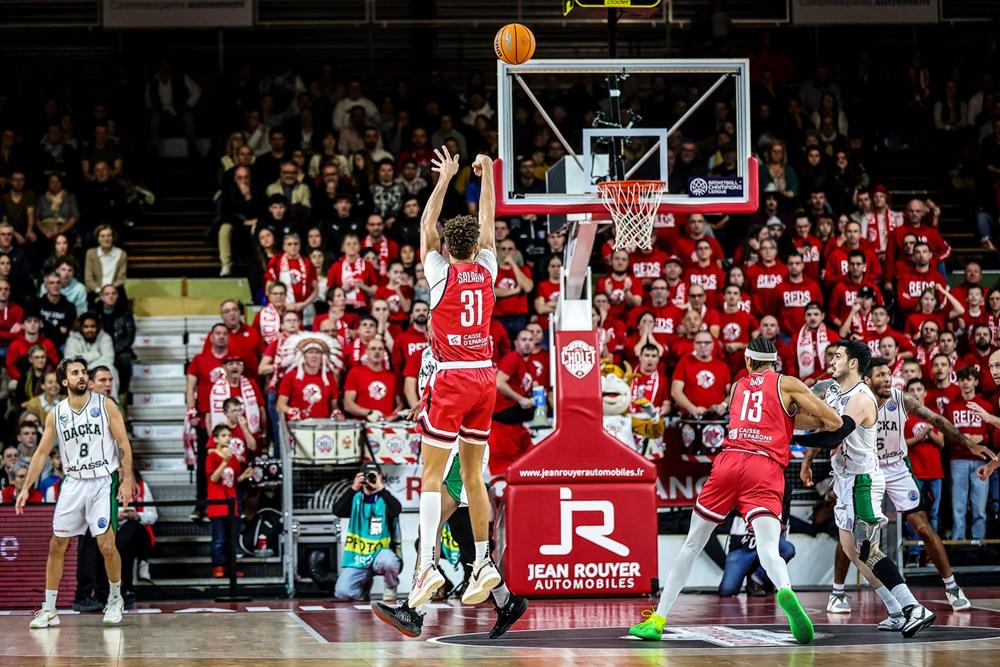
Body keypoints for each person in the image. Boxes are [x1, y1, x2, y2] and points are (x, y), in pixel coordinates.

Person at [628, 337, 842, 643]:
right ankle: (785, 591)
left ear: (748, 361)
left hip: (729, 462)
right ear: (775, 362)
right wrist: (828, 413)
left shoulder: (738, 386)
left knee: (691, 545)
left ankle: (658, 620)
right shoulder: (789, 383)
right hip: (764, 467)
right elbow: (830, 421)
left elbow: (777, 419)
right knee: (769, 549)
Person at [803, 360, 982, 616]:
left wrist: (966, 441)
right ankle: (837, 592)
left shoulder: (900, 399)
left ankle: (952, 588)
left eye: (889, 374)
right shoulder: (852, 401)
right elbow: (828, 429)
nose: (888, 379)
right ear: (867, 379)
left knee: (923, 527)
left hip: (895, 467)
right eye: (881, 375)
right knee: (850, 533)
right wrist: (807, 461)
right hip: (864, 468)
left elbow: (936, 419)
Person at [408, 147, 500, 609]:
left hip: (452, 377)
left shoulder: (440, 273)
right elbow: (489, 223)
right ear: (478, 245)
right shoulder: (488, 268)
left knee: (430, 475)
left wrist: (445, 180)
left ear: (448, 248)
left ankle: (425, 565)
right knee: (472, 476)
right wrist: (486, 176)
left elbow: (426, 226)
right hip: (485, 377)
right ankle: (482, 561)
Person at [806, 340, 935, 637]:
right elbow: (819, 422)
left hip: (862, 482)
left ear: (853, 364)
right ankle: (894, 610)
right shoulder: (838, 392)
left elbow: (834, 435)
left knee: (868, 550)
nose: (832, 359)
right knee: (853, 551)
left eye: (838, 356)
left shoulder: (861, 398)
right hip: (845, 480)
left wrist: (789, 440)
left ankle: (914, 607)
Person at [16, 356, 135, 628]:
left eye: (83, 372)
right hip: (73, 482)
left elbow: (123, 443)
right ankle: (49, 608)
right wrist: (25, 488)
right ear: (64, 381)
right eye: (75, 373)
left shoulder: (105, 405)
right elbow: (42, 452)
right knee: (57, 544)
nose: (81, 376)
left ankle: (115, 598)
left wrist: (126, 479)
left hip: (102, 481)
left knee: (106, 544)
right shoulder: (56, 413)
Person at [333, 463, 403, 601]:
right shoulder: (355, 498)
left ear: (380, 477)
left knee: (389, 562)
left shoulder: (384, 497)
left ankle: (391, 587)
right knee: (342, 592)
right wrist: (353, 488)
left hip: (380, 554)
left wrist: (380, 489)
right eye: (367, 476)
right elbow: (337, 511)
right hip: (358, 557)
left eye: (373, 475)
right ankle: (363, 590)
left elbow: (396, 510)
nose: (369, 479)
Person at [205, 423, 254, 578]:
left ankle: (231, 567)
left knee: (231, 539)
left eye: (229, 436)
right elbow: (213, 477)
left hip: (232, 503)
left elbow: (232, 480)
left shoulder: (234, 457)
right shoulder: (212, 456)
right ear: (216, 439)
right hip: (218, 503)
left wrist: (243, 476)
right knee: (219, 538)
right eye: (224, 436)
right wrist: (224, 462)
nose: (227, 438)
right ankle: (218, 565)